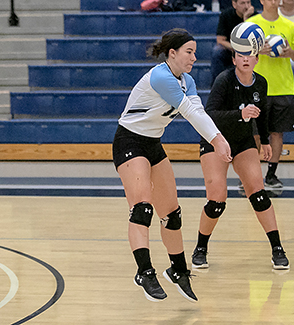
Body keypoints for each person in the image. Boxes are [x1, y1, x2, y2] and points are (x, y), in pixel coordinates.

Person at [112, 28, 232, 302]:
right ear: (172, 53)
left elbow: (198, 110)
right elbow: (189, 113)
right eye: (189, 52)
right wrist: (217, 139)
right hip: (129, 143)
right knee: (142, 208)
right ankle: (144, 271)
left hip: (152, 144)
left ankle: (178, 270)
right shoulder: (161, 76)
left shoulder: (186, 80)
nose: (194, 57)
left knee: (171, 213)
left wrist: (215, 137)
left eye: (195, 52)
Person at [191, 49, 290, 271]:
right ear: (234, 59)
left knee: (258, 192)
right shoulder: (224, 80)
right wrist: (241, 114)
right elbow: (210, 114)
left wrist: (264, 141)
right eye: (240, 55)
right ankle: (200, 248)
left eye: (250, 55)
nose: (245, 59)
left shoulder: (260, 83)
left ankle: (277, 249)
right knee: (217, 199)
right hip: (215, 139)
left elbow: (262, 114)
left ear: (256, 59)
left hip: (243, 141)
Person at [247, 0, 294, 188]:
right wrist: (256, 50)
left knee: (277, 133)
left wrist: (289, 53)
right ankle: (251, 175)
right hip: (256, 87)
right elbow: (240, 53)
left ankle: (271, 175)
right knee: (255, 134)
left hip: (282, 87)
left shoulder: (289, 25)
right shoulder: (251, 25)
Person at [211, 0, 256, 86]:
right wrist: (236, 48)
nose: (246, 6)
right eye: (243, 3)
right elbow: (220, 40)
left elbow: (251, 39)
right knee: (217, 52)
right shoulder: (226, 15)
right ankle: (217, 85)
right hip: (230, 49)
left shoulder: (255, 16)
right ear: (234, 4)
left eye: (248, 3)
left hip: (249, 50)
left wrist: (246, 18)